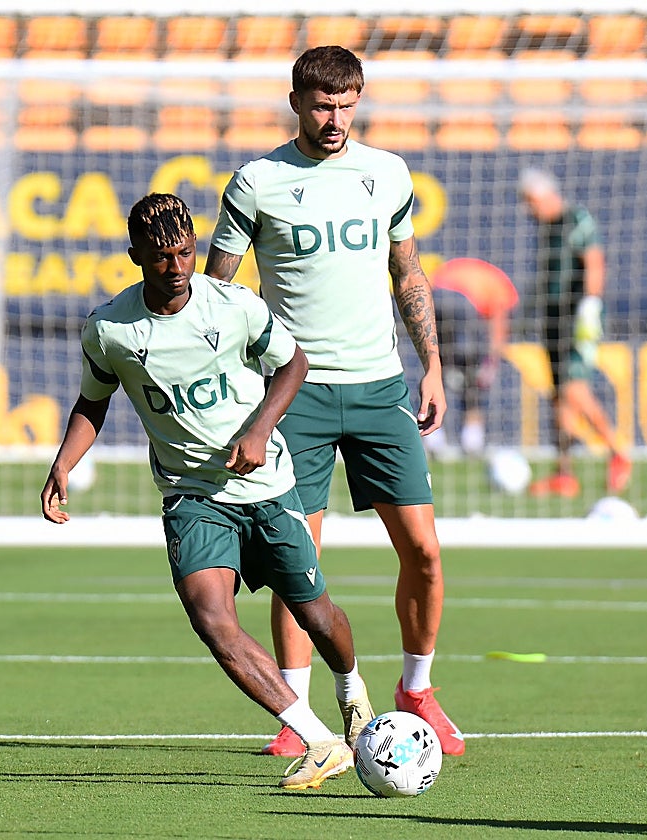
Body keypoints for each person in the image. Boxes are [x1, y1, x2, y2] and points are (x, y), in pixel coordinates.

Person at [41, 193, 374, 790]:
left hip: (266, 486)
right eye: (161, 256)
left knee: (316, 615)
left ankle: (352, 693)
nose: (175, 267)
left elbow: (294, 364)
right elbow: (94, 400)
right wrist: (64, 463)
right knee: (212, 620)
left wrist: (260, 429)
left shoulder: (234, 306)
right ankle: (320, 741)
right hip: (191, 496)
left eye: (185, 253)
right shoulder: (110, 329)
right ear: (135, 255)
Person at [205, 45, 463, 757]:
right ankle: (299, 717)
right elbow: (217, 293)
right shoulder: (257, 182)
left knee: (425, 552)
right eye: (323, 106)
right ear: (296, 102)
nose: (336, 119)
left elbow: (408, 272)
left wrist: (432, 365)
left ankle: (418, 689)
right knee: (300, 563)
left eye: (348, 105)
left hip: (380, 389)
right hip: (297, 396)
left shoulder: (388, 174)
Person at [519, 169, 631, 499]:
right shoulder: (547, 228)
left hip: (577, 318)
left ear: (545, 196)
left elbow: (594, 260)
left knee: (574, 389)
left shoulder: (575, 219)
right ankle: (564, 473)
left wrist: (591, 305)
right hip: (553, 318)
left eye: (531, 202)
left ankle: (617, 451)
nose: (528, 210)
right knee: (558, 396)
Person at [423, 258, 518, 459]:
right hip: (462, 305)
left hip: (434, 298)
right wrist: (491, 362)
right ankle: (472, 439)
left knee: (436, 370)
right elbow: (498, 327)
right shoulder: (503, 290)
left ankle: (432, 435)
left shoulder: (480, 275)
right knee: (473, 376)